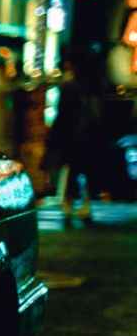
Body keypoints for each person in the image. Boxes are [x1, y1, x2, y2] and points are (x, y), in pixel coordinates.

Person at [45, 55, 102, 225]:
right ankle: (85, 206)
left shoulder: (68, 87)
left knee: (70, 173)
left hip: (71, 138)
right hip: (87, 137)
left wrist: (54, 136)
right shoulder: (92, 87)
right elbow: (96, 115)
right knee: (86, 173)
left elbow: (62, 114)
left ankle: (69, 206)